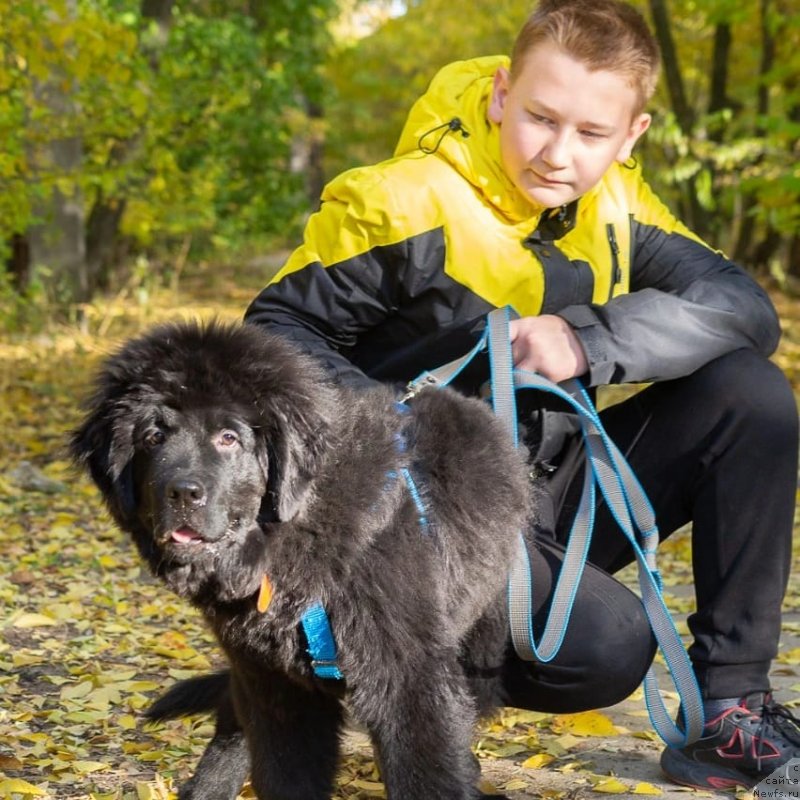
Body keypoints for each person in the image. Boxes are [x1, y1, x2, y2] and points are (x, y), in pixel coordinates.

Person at [244, 0, 800, 791]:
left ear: (632, 135)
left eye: (592, 134)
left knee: (751, 396)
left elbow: (744, 310)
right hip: (412, 522)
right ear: (503, 93)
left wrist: (590, 340)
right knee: (610, 646)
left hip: (537, 500)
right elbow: (269, 331)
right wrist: (397, 430)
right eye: (540, 117)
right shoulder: (403, 202)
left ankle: (731, 713)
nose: (558, 154)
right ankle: (428, 696)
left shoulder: (618, 207)